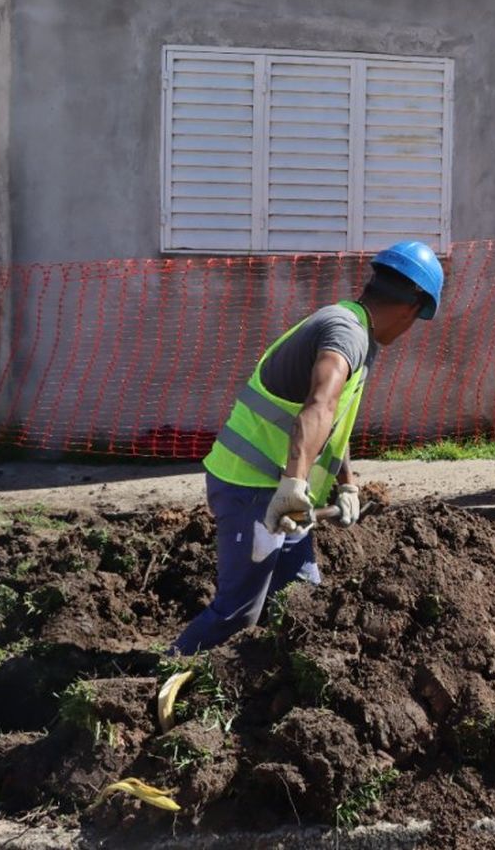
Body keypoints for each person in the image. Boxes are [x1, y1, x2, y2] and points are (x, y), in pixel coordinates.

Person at [172, 241, 444, 655]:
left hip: (281, 492)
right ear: (412, 310)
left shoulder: (356, 332)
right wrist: (294, 485)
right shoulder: (346, 334)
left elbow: (334, 421)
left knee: (302, 600)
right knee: (238, 614)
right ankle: (166, 673)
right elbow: (318, 407)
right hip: (252, 489)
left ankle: (280, 689)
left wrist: (347, 485)